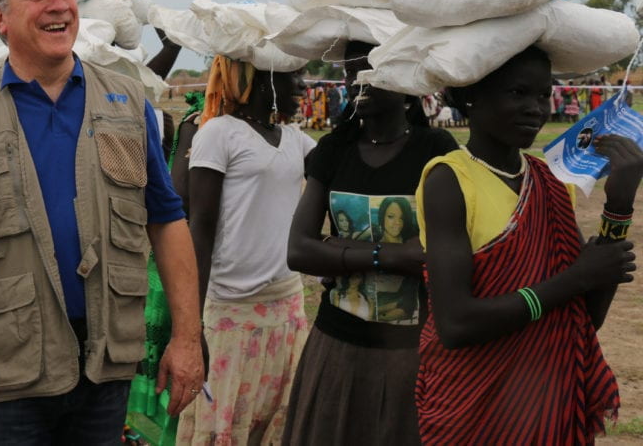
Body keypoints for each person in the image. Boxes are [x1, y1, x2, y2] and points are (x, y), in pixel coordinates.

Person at [0, 0, 204, 445]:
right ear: (0, 17)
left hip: (104, 368)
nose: (59, 5)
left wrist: (187, 338)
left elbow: (167, 219)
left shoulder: (127, 102)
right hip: (5, 377)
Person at [416, 45, 640, 444]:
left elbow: (582, 318)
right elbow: (455, 324)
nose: (536, 108)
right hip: (473, 411)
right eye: (518, 93)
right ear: (471, 96)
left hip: (546, 401)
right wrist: (576, 278)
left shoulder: (550, 182)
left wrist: (619, 206)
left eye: (542, 95)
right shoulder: (449, 181)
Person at [281, 40, 458, 446]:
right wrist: (391, 255)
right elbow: (299, 250)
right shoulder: (334, 150)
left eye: (370, 71)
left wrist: (338, 253)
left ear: (404, 81)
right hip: (337, 347)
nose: (356, 82)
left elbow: (443, 255)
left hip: (413, 354)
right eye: (349, 73)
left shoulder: (436, 152)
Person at [177, 56, 315, 445]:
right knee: (226, 423)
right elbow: (200, 228)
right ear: (265, 80)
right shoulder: (219, 133)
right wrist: (191, 327)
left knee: (276, 420)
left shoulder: (295, 138)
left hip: (287, 307)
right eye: (295, 77)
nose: (303, 86)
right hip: (232, 312)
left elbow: (338, 168)